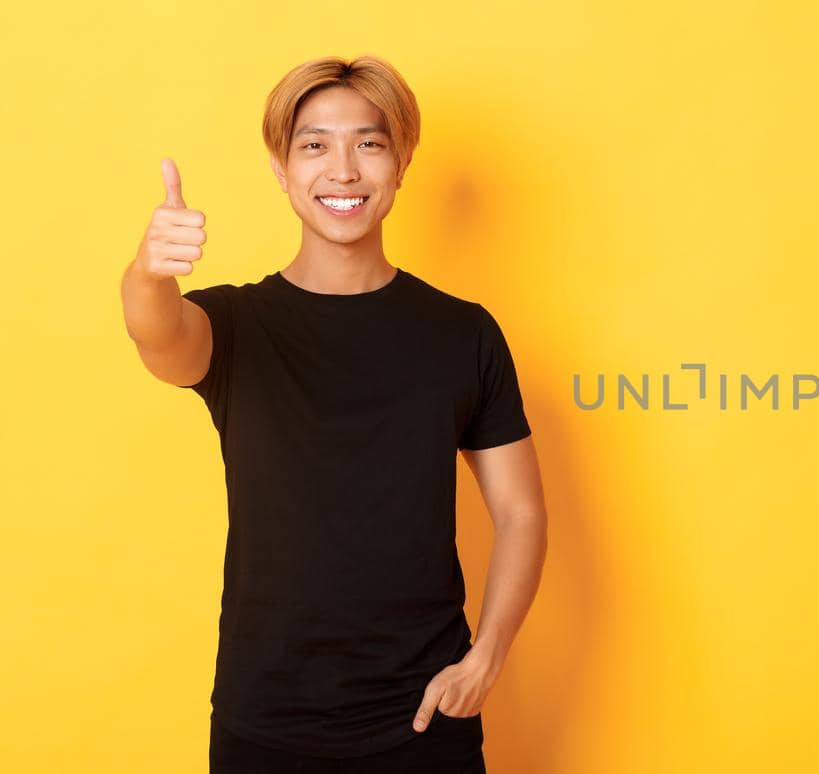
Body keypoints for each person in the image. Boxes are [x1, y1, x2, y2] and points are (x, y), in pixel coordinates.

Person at [118, 54, 549, 773]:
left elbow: (523, 513)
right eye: (314, 145)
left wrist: (488, 655)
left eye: (369, 143)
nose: (343, 170)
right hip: (266, 724)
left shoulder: (463, 333)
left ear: (402, 161)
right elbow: (157, 333)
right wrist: (148, 271)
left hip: (426, 722)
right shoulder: (234, 325)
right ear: (281, 170)